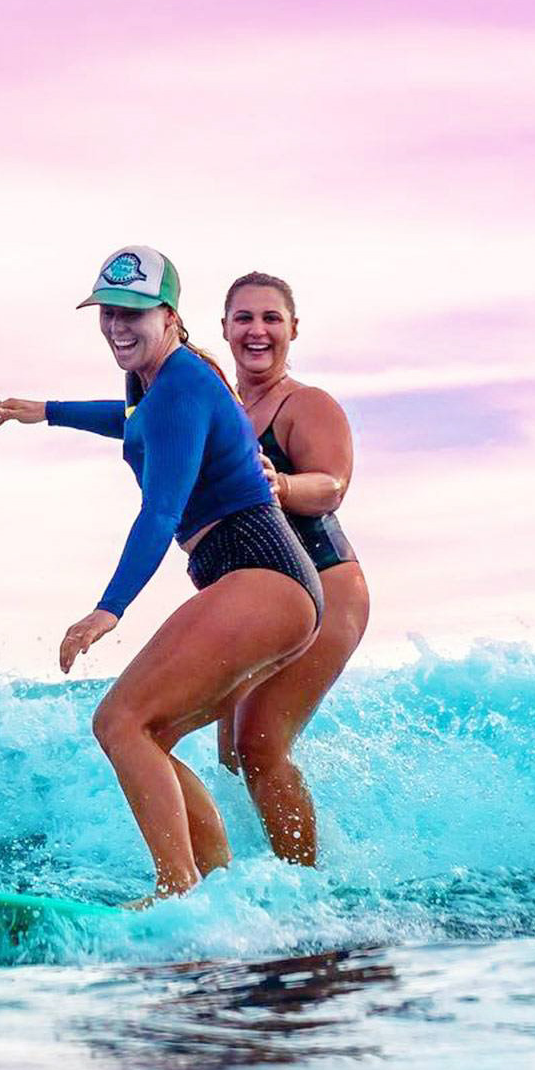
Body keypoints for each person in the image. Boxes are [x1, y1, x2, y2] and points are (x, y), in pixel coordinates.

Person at [0, 246, 323, 902]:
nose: (118, 326)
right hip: (274, 586)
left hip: (261, 574)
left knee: (119, 723)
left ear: (169, 315)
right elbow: (131, 420)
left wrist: (110, 609)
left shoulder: (180, 387)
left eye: (134, 313)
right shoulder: (159, 387)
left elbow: (160, 511)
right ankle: (216, 889)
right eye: (108, 312)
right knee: (151, 736)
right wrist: (46, 410)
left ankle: (174, 888)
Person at [212, 272, 369, 867]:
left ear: (293, 330)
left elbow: (330, 485)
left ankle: (308, 890)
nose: (257, 330)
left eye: (271, 318)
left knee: (259, 742)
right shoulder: (224, 408)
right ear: (224, 329)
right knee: (229, 751)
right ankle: (260, 873)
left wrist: (281, 484)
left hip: (326, 584)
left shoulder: (307, 404)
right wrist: (47, 411)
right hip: (256, 598)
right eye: (244, 318)